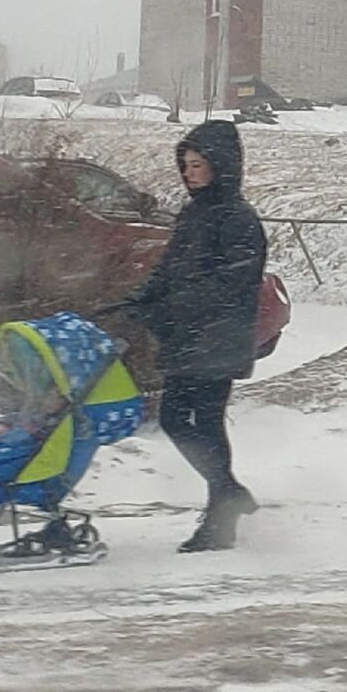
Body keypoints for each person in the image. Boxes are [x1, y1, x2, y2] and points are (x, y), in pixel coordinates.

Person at [114, 120, 266, 552]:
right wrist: (140, 298)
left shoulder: (238, 219)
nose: (189, 173)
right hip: (191, 337)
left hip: (218, 338)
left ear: (221, 164)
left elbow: (230, 286)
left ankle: (224, 509)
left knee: (192, 421)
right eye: (185, 165)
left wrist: (172, 306)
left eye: (197, 164)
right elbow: (170, 268)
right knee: (184, 421)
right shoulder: (195, 212)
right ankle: (226, 500)